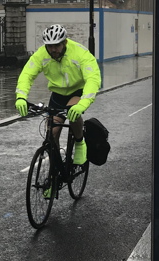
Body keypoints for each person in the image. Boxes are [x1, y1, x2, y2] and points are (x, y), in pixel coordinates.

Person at [15, 24, 101, 166]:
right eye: (49, 46)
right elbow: (27, 75)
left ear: (65, 42)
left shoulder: (80, 54)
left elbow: (93, 79)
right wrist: (20, 97)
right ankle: (54, 178)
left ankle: (80, 143)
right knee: (52, 134)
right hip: (58, 94)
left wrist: (83, 104)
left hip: (77, 91)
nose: (53, 50)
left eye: (56, 45)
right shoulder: (41, 54)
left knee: (73, 113)